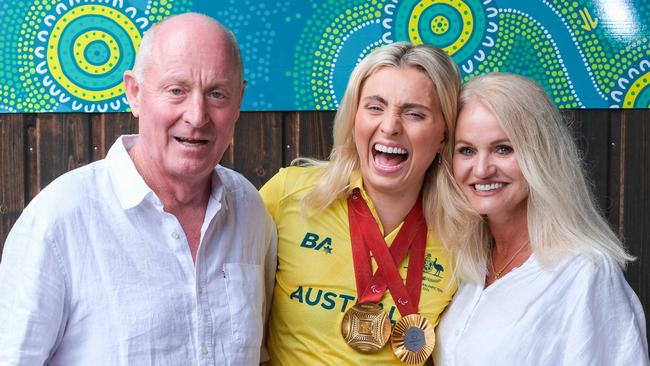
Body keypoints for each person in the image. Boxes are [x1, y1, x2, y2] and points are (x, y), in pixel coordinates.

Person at [0, 13, 277, 365]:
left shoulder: (250, 210)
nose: (196, 115)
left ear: (239, 101)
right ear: (135, 93)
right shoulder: (56, 222)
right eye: (176, 90)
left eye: (216, 94)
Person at [260, 42, 460, 365]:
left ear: (443, 137)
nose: (391, 126)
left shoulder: (463, 234)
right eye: (375, 107)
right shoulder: (288, 196)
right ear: (354, 118)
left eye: (414, 113)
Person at [433, 72, 649, 365]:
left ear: (541, 156)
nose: (482, 169)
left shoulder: (585, 271)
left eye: (503, 149)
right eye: (467, 150)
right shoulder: (465, 261)